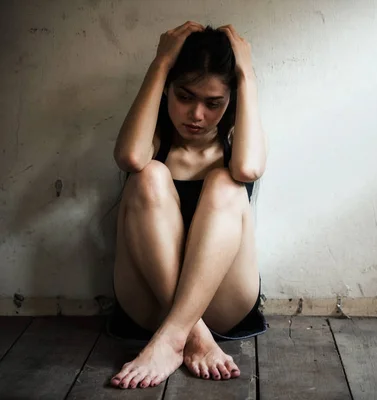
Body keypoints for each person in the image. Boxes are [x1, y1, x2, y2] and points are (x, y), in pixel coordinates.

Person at [106, 21, 268, 389]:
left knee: (227, 182)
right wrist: (161, 63)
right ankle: (191, 335)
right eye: (185, 96)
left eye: (213, 103)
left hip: (222, 304)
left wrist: (247, 74)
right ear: (167, 91)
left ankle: (172, 337)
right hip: (149, 303)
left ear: (231, 100)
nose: (197, 116)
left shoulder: (237, 144)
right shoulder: (155, 142)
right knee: (148, 175)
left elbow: (248, 168)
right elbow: (131, 157)